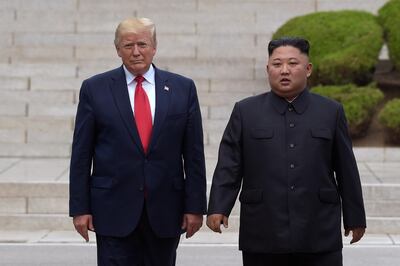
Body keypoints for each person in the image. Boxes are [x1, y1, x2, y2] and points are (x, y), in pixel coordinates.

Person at [206, 37, 366, 266]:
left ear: (308, 69)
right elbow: (229, 164)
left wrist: (355, 217)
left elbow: (346, 169)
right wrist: (219, 207)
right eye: (277, 64)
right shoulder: (246, 111)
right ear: (267, 68)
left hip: (318, 229)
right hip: (263, 229)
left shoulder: (331, 112)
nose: (284, 70)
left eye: (293, 63)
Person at [69, 17, 207, 266]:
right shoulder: (95, 89)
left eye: (142, 44)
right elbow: (81, 154)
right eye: (127, 45)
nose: (135, 52)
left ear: (154, 47)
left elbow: (194, 153)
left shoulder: (182, 88)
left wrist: (195, 206)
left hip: (165, 209)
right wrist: (80, 208)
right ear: (117, 49)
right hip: (112, 209)